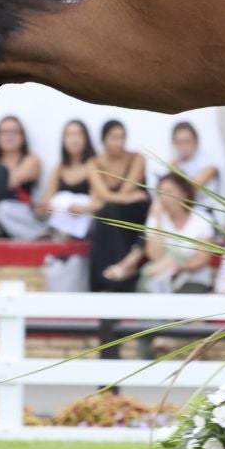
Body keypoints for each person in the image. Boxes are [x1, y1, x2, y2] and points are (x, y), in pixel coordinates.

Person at [88, 119, 150, 358]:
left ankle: (108, 278)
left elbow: (124, 190)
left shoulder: (137, 158)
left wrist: (114, 199)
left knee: (107, 212)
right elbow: (110, 195)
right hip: (112, 221)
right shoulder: (94, 162)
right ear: (103, 140)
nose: (120, 142)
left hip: (134, 219)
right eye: (114, 137)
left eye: (122, 137)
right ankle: (115, 276)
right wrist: (122, 197)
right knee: (106, 214)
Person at [36, 119, 97, 292]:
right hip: (60, 222)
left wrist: (82, 208)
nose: (74, 139)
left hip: (83, 222)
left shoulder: (93, 165)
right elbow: (46, 204)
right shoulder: (59, 168)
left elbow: (99, 201)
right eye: (69, 135)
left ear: (86, 138)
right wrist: (46, 208)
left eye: (78, 134)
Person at [139, 173, 218, 295]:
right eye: (160, 193)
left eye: (169, 192)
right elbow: (155, 256)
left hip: (193, 280)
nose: (164, 197)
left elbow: (202, 259)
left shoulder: (202, 219)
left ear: (183, 193)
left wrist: (180, 267)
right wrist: (158, 219)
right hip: (161, 280)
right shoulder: (156, 219)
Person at [0, 115, 45, 240]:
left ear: (22, 136)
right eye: (4, 132)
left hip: (17, 212)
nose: (9, 136)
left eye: (14, 132)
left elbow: (10, 182)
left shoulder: (31, 159)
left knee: (3, 207)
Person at [154, 120, 221, 197]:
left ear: (196, 141)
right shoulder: (174, 162)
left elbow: (189, 192)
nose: (183, 147)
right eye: (179, 142)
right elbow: (157, 191)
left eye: (187, 141)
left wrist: (174, 174)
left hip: (200, 208)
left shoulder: (209, 165)